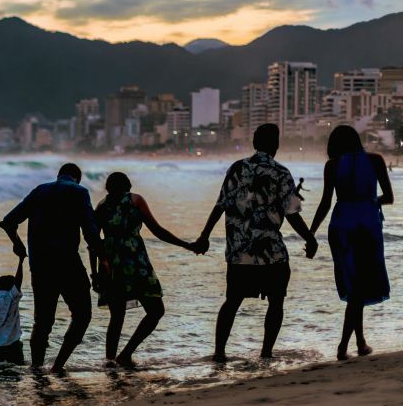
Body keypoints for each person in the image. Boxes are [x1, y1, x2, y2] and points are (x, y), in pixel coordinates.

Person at [195, 124, 318, 362]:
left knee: (232, 301)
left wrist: (204, 236)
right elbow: (292, 213)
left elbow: (220, 205)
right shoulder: (281, 172)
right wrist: (310, 239)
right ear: (276, 145)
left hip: (239, 251)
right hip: (271, 251)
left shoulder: (236, 168)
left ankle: (219, 352)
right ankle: (266, 353)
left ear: (254, 142)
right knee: (276, 301)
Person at [0, 163, 103, 372]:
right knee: (82, 315)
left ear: (58, 175)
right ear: (78, 178)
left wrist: (17, 244)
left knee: (43, 321)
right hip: (68, 263)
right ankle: (58, 365)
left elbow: (9, 222)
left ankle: (37, 368)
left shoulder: (40, 190)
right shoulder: (79, 192)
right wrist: (101, 266)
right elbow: (91, 235)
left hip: (40, 266)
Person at [96, 172, 200, 368]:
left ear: (108, 188)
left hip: (111, 265)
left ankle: (110, 361)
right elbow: (158, 231)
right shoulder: (135, 200)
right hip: (135, 262)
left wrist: (98, 269)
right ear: (128, 185)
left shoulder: (101, 206)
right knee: (155, 310)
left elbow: (94, 241)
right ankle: (125, 354)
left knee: (116, 316)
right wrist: (187, 245)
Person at [309, 126, 393, 360]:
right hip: (367, 225)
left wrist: (311, 232)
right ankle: (346, 346)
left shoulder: (332, 165)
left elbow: (325, 202)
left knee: (354, 285)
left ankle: (357, 342)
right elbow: (389, 197)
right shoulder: (376, 160)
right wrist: (369, 201)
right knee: (361, 287)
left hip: (341, 226)